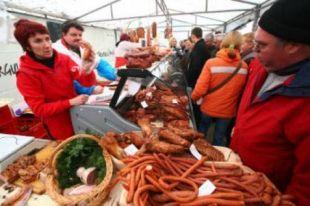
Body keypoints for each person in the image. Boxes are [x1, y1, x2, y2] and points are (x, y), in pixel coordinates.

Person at [230, 0, 310, 204]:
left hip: (265, 196)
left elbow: (305, 189)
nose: (254, 52)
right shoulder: (260, 66)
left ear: (293, 46)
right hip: (234, 182)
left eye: (261, 46)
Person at [14, 19, 94, 140]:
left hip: (78, 114)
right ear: (27, 47)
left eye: (47, 38)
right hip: (58, 125)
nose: (46, 45)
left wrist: (87, 71)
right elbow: (39, 109)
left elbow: (86, 82)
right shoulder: (25, 74)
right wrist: (70, 102)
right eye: (38, 41)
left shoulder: (63, 59)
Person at [191, 31, 248, 146]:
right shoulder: (244, 66)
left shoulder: (211, 63)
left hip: (209, 107)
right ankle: (217, 161)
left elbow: (200, 89)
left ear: (223, 43)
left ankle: (198, 156)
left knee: (201, 135)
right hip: (228, 110)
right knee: (219, 138)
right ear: (240, 45)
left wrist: (193, 98)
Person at [53, 20, 117, 84]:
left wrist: (116, 75)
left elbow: (99, 63)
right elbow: (63, 77)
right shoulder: (56, 50)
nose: (78, 38)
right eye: (74, 35)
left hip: (87, 85)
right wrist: (90, 88)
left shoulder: (84, 47)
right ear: (64, 34)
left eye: (80, 35)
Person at [186, 27, 211, 126]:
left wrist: (187, 80)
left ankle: (196, 124)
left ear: (193, 36)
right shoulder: (202, 46)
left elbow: (195, 67)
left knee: (196, 107)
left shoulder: (199, 47)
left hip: (196, 82)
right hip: (198, 80)